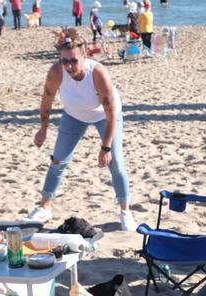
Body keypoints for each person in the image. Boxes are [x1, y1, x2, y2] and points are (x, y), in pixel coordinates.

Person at [28, 28, 134, 231]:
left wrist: (105, 147)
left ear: (84, 55)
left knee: (116, 162)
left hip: (104, 116)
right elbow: (46, 101)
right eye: (64, 60)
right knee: (58, 160)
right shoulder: (56, 71)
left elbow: (111, 113)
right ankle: (45, 206)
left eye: (73, 61)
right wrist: (43, 129)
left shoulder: (98, 73)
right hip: (74, 115)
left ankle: (125, 211)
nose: (68, 66)